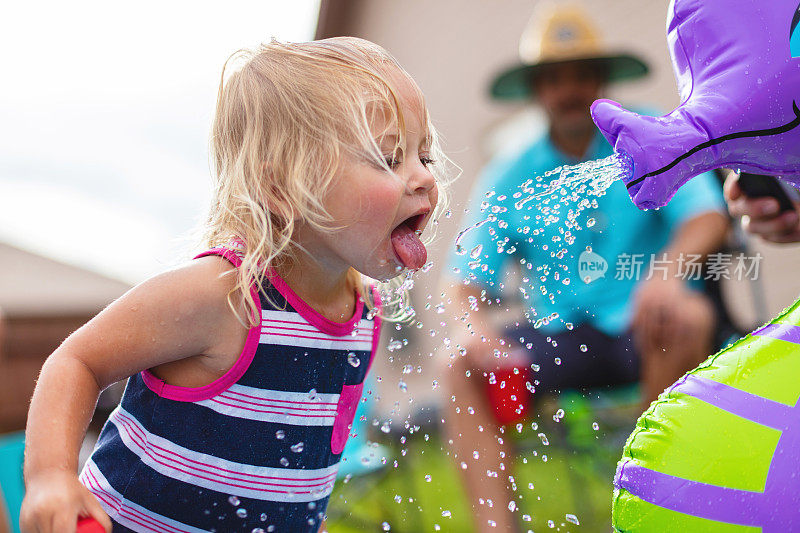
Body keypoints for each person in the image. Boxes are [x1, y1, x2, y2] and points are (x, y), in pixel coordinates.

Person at [19, 37, 447, 533]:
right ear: (282, 189)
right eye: (390, 158)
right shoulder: (222, 296)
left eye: (425, 158)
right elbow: (76, 361)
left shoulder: (363, 314)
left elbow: (295, 470)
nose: (422, 179)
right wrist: (51, 476)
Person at [443, 5, 729, 531]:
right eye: (553, 79)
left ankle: (654, 506)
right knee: (456, 363)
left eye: (580, 74)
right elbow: (465, 280)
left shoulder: (647, 135)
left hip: (644, 327)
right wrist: (474, 329)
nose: (568, 90)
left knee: (687, 317)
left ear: (601, 80)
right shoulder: (508, 173)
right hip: (558, 335)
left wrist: (665, 274)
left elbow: (708, 217)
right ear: (536, 90)